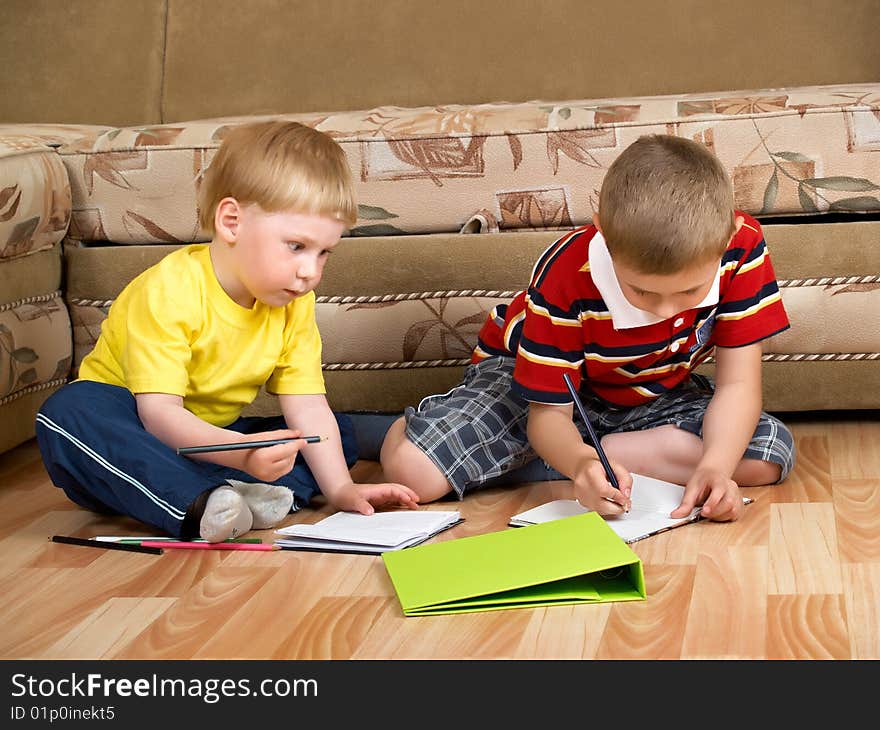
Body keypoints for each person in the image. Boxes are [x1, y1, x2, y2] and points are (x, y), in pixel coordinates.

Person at [36, 120, 419, 542]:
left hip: (212, 442)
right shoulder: (170, 290)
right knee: (68, 412)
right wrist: (242, 454)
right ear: (232, 221)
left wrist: (341, 489)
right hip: (132, 441)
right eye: (296, 246)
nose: (310, 272)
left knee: (326, 436)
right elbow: (159, 415)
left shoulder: (293, 303)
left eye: (324, 252)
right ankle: (199, 502)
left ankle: (233, 493)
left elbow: (307, 406)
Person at [380, 134, 795, 522]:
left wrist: (715, 468)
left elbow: (738, 386)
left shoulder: (743, 247)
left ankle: (544, 460)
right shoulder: (566, 272)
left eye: (688, 291)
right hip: (535, 392)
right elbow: (549, 414)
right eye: (643, 292)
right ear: (604, 233)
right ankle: (558, 457)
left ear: (729, 237)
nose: (664, 310)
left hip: (648, 390)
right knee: (413, 473)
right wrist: (580, 460)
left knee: (766, 453)